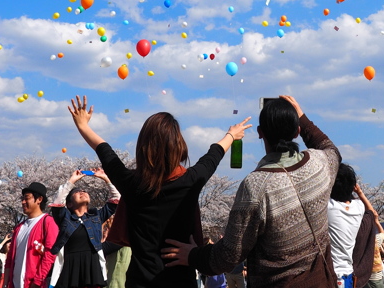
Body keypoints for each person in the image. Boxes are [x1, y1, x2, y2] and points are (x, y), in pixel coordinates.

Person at [67, 95, 249, 288]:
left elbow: (105, 152)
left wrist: (83, 126)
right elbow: (213, 156)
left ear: (143, 147)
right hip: (180, 280)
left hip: (139, 281)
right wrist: (231, 134)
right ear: (179, 146)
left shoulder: (131, 184)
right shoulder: (190, 181)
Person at [161, 95, 340, 287]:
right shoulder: (320, 164)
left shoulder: (255, 186)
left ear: (260, 132)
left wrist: (193, 256)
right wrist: (302, 117)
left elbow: (229, 255)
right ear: (297, 132)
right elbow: (330, 149)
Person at [47, 168, 120, 288]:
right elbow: (57, 202)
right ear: (69, 204)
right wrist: (71, 181)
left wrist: (105, 178)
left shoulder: (96, 216)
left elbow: (116, 199)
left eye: (84, 191)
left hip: (92, 267)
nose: (82, 192)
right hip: (70, 267)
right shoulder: (65, 218)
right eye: (77, 192)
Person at [3, 182, 57, 288]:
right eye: (22, 199)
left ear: (39, 199)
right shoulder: (19, 227)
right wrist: (5, 283)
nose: (23, 202)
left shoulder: (48, 222)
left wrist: (37, 282)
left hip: (34, 284)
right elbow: (10, 259)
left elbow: (50, 255)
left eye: (27, 198)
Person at [326, 164, 367, 288]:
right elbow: (372, 213)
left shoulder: (328, 207)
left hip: (332, 274)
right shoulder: (359, 207)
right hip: (347, 274)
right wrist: (359, 192)